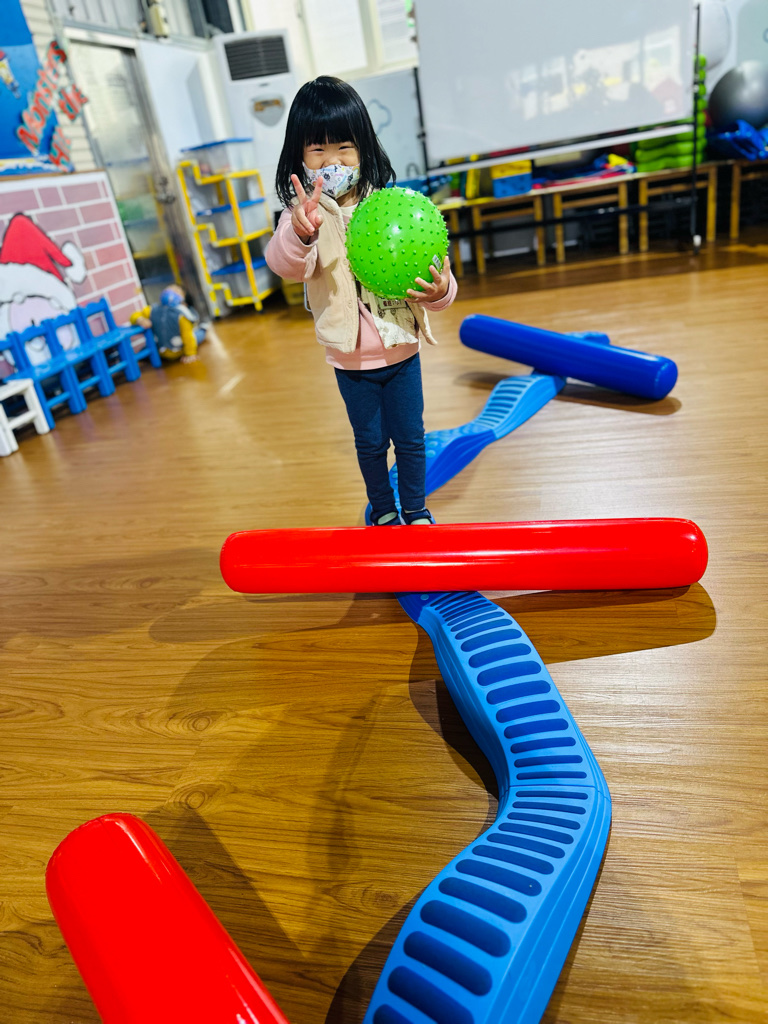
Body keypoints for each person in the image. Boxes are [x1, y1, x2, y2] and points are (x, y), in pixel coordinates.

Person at [265, 76, 457, 526]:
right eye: (318, 149)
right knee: (370, 443)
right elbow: (284, 264)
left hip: (402, 350)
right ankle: (384, 511)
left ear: (364, 148)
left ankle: (416, 510)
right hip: (351, 359)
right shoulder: (302, 215)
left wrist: (441, 291)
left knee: (411, 439)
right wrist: (300, 234)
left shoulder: (391, 208)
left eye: (344, 147)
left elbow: (436, 278)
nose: (332, 160)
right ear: (299, 155)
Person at [129, 285, 207, 364]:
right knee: (145, 349)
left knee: (195, 337)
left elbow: (188, 336)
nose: (171, 292)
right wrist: (140, 319)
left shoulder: (181, 314)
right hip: (161, 349)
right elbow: (134, 315)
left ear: (182, 298)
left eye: (176, 291)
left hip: (180, 349)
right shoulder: (152, 310)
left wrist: (190, 354)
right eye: (169, 289)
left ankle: (203, 329)